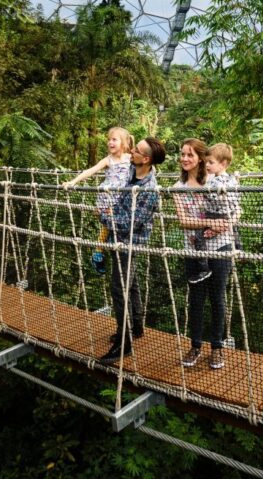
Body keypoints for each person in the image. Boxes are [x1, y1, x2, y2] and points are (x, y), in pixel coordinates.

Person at [99, 137, 167, 364]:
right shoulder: (131, 171)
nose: (131, 151)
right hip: (119, 239)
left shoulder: (150, 190)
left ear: (146, 159)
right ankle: (136, 327)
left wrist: (104, 216)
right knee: (132, 281)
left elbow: (130, 223)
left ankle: (124, 343)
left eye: (136, 150)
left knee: (120, 289)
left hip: (130, 241)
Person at [175, 139, 237, 370]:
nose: (184, 159)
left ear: (201, 158)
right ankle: (195, 346)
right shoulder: (178, 187)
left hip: (221, 246)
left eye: (189, 154)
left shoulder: (216, 180)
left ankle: (217, 348)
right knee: (196, 299)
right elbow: (183, 221)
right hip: (194, 250)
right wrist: (215, 222)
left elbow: (237, 208)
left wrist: (227, 224)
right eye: (182, 154)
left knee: (217, 297)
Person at [62, 127, 134, 275]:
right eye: (109, 139)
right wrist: (73, 182)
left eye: (114, 139)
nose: (110, 142)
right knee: (108, 225)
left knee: (113, 227)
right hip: (108, 198)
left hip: (123, 199)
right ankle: (98, 253)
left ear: (125, 143)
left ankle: (101, 250)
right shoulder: (108, 160)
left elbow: (143, 168)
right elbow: (90, 171)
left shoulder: (130, 158)